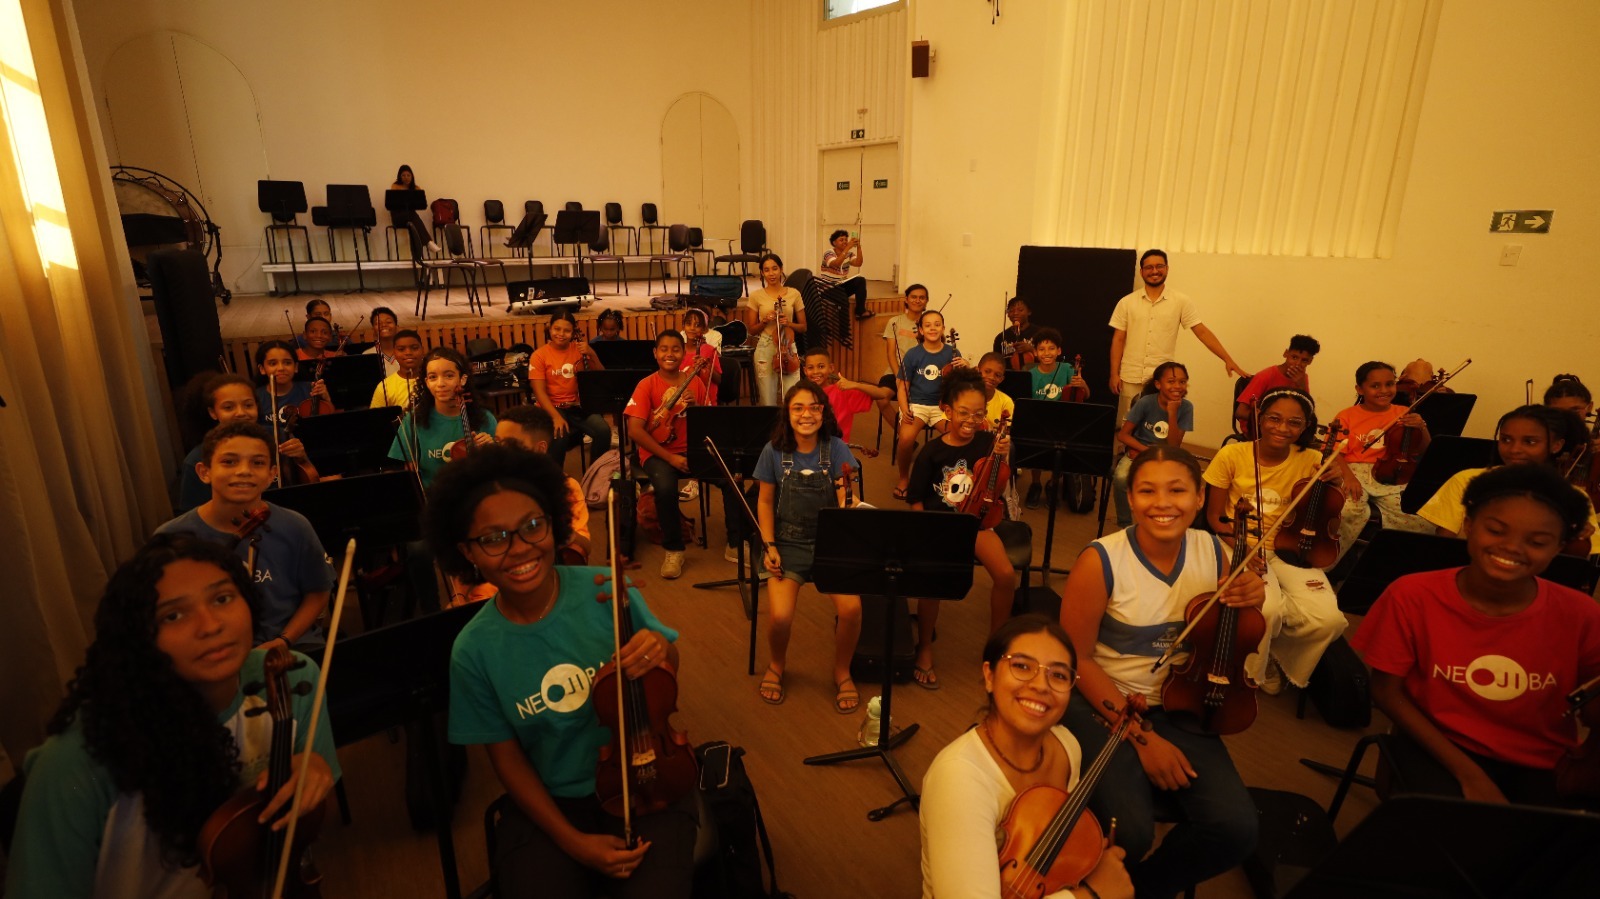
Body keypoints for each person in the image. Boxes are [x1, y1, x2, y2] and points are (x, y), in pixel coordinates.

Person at [3, 534, 340, 898]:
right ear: (139, 637)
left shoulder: (290, 677)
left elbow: (314, 826)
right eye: (173, 615)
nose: (210, 626)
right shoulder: (75, 759)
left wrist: (314, 772)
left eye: (222, 598)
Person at [427, 444, 695, 899]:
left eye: (533, 526)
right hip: (554, 800)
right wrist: (574, 843)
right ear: (467, 552)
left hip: (645, 777)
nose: (520, 549)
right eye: (494, 538)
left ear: (554, 522)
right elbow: (507, 760)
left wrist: (660, 650)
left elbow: (667, 672)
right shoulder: (472, 650)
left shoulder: (605, 589)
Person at [1059, 446, 1262, 896]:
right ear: (1130, 499)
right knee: (1129, 832)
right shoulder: (1101, 561)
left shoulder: (1214, 551)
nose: (1163, 503)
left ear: (1198, 498)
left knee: (1237, 828)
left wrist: (1254, 595)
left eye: (1177, 490)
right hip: (1104, 701)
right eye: (1147, 491)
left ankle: (1137, 891)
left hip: (1181, 702)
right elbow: (1077, 661)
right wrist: (1142, 740)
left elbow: (1229, 630)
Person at [1352, 464, 1600, 809]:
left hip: (1543, 761)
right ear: (1468, 525)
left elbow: (1592, 709)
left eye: (1537, 542)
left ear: (1559, 546)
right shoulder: (1412, 596)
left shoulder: (1582, 613)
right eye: (1496, 530)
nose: (1512, 547)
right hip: (1439, 745)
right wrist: (1470, 775)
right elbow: (1385, 691)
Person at [919, 614, 1134, 899]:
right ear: (989, 676)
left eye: (1058, 675)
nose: (1041, 685)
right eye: (1021, 666)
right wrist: (1092, 893)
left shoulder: (1067, 746)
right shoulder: (958, 779)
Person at [1203, 388, 1359, 693]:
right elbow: (1215, 518)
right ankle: (1252, 671)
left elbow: (1329, 512)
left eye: (1294, 423)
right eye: (1274, 419)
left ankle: (1276, 653)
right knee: (1266, 609)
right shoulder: (1232, 454)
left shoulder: (1313, 459)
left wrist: (1337, 482)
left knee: (1329, 620)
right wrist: (1243, 548)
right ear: (1260, 419)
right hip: (1239, 543)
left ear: (1305, 427)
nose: (1282, 428)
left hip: (1293, 546)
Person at [155, 422, 335, 650]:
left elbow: (318, 591)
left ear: (271, 474)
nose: (243, 471)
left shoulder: (295, 526)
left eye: (257, 463)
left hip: (291, 644)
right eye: (229, 462)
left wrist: (283, 640)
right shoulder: (172, 537)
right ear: (204, 472)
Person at [753, 381, 864, 712]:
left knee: (851, 609)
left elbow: (847, 492)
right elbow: (765, 502)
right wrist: (769, 545)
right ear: (787, 414)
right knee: (780, 617)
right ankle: (777, 665)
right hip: (787, 541)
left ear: (824, 412)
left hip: (831, 542)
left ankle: (842, 670)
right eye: (798, 408)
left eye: (814, 407)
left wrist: (848, 502)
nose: (806, 414)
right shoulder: (773, 451)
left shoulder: (837, 449)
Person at [907, 369, 1017, 689]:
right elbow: (916, 499)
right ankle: (924, 647)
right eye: (964, 413)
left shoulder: (988, 441)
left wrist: (1003, 455)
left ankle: (996, 645)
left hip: (977, 523)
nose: (971, 420)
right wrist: (925, 532)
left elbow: (997, 482)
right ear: (947, 410)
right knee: (933, 583)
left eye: (979, 414)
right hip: (941, 525)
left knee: (1006, 575)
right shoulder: (931, 452)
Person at [1418, 405, 1600, 553]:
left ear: (1556, 445)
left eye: (1530, 442)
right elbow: (1443, 548)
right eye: (1506, 440)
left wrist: (1576, 536)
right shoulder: (1466, 481)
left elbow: (1576, 563)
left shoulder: (1573, 496)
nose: (1514, 450)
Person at [1108, 249, 1248, 420]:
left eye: (1159, 266)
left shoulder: (1181, 301)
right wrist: (1114, 374)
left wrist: (1227, 359)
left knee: (1159, 423)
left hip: (1163, 378)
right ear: (1142, 271)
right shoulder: (1126, 302)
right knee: (1129, 421)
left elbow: (1202, 331)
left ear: (1167, 268)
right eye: (1149, 267)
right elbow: (1118, 339)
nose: (1154, 271)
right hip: (1130, 376)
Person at [625, 330, 714, 579]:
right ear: (655, 353)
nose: (669, 354)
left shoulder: (695, 382)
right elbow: (635, 430)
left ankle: (736, 542)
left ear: (683, 353)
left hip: (691, 449)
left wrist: (695, 407)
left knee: (730, 477)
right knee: (665, 489)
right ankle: (674, 549)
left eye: (676, 349)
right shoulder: (646, 385)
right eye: (664, 349)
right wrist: (670, 458)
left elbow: (709, 423)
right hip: (658, 452)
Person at [1332, 361, 1435, 551]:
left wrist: (1422, 427)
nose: (1384, 390)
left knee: (1421, 516)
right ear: (1360, 389)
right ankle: (1332, 558)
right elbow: (1335, 453)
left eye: (1389, 384)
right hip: (1354, 472)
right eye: (1375, 386)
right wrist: (1349, 477)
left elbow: (1424, 449)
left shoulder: (1403, 413)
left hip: (1392, 473)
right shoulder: (1346, 415)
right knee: (1346, 511)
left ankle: (1391, 558)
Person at [496, 404, 594, 565]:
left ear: (540, 448)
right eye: (498, 442)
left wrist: (559, 529)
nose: (501, 451)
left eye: (511, 443)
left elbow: (585, 546)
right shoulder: (491, 485)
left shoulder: (565, 487)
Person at [388, 346, 497, 489]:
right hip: (432, 495)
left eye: (449, 376)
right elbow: (409, 475)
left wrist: (491, 449)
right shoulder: (413, 420)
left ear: (462, 379)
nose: (441, 384)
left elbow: (499, 470)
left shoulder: (485, 418)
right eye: (433, 377)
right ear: (427, 382)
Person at [1111, 361, 1193, 528]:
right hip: (1140, 452)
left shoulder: (1186, 407)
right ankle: (1125, 525)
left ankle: (1158, 524)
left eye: (1182, 381)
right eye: (1171, 381)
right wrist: (1145, 451)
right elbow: (1123, 435)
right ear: (1158, 384)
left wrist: (1172, 413)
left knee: (1176, 487)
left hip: (1167, 457)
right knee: (1120, 479)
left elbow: (1174, 446)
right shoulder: (1146, 402)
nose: (1177, 386)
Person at [177, 373, 273, 512]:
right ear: (213, 412)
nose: (240, 413)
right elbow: (193, 514)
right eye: (228, 408)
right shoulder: (196, 459)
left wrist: (301, 459)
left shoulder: (279, 437)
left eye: (248, 405)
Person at [894, 308, 962, 501]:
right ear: (921, 330)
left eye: (937, 325)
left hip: (943, 407)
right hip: (918, 405)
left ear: (943, 328)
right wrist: (904, 408)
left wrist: (964, 367)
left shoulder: (952, 353)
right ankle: (904, 479)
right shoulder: (913, 354)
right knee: (905, 438)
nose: (933, 328)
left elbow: (961, 385)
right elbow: (902, 387)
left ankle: (951, 478)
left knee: (958, 435)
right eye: (928, 325)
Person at [530, 310, 610, 471]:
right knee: (560, 434)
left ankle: (594, 475)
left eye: (566, 330)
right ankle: (555, 477)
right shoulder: (539, 355)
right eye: (557, 329)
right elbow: (539, 392)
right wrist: (555, 417)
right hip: (552, 407)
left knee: (603, 431)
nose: (561, 334)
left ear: (573, 332)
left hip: (577, 406)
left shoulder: (579, 350)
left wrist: (592, 353)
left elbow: (601, 376)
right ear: (549, 328)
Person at [1023, 328, 1089, 508]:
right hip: (1039, 422)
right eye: (1042, 349)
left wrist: (1082, 384)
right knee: (1036, 447)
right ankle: (1035, 483)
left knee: (1061, 449)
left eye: (1051, 348)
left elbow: (1084, 395)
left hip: (1062, 422)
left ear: (1059, 351)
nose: (1047, 353)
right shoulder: (1030, 374)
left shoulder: (1068, 369)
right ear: (1035, 352)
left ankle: (1053, 484)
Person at [251, 341, 325, 487]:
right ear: (262, 369)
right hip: (271, 458)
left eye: (287, 363)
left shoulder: (310, 390)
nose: (281, 368)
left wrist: (326, 399)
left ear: (296, 367)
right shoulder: (254, 397)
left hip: (309, 456)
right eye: (273, 363)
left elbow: (325, 427)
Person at [1234, 335, 1319, 438]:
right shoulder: (1266, 376)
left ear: (1310, 361)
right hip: (1258, 428)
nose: (1298, 364)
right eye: (1294, 357)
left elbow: (1307, 412)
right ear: (1286, 353)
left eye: (1304, 360)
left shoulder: (1302, 378)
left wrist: (1301, 386)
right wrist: (1269, 418)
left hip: (1285, 427)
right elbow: (1240, 412)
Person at [802, 346, 891, 443]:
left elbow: (881, 394)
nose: (815, 372)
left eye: (821, 366)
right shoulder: (801, 394)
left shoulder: (842, 392)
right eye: (810, 368)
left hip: (837, 448)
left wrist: (855, 385)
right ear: (805, 371)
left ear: (831, 368)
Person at [750, 253, 806, 405]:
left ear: (781, 269)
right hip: (765, 345)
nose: (771, 273)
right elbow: (752, 330)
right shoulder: (756, 296)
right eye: (766, 270)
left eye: (774, 268)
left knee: (792, 398)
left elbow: (803, 327)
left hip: (788, 346)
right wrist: (764, 321)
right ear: (762, 273)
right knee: (767, 400)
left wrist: (789, 323)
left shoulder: (794, 293)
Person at [879, 283, 930, 431]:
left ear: (926, 301)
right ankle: (902, 434)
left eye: (922, 297)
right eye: (913, 297)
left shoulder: (930, 324)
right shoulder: (894, 322)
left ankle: (910, 434)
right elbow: (890, 353)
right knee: (882, 399)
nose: (917, 300)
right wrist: (899, 377)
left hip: (921, 374)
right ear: (906, 299)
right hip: (895, 372)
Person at [815, 228, 871, 320]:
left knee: (860, 280)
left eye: (846, 239)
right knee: (842, 298)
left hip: (840, 286)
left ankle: (860, 311)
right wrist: (848, 247)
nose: (845, 242)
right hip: (828, 289)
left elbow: (858, 263)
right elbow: (836, 264)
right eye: (841, 240)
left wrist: (858, 247)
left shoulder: (849, 254)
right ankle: (841, 326)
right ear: (834, 243)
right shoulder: (828, 253)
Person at [390, 164, 441, 260]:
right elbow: (395, 204)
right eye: (403, 175)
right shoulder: (395, 186)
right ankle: (428, 242)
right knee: (413, 215)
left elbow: (420, 204)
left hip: (410, 216)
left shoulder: (416, 188)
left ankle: (418, 256)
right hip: (398, 217)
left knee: (413, 221)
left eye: (408, 175)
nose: (406, 177)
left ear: (412, 176)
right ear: (400, 176)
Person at [369, 329, 427, 410]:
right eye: (401, 349)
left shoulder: (433, 379)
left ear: (423, 350)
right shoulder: (385, 387)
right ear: (394, 353)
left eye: (414, 348)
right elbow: (376, 416)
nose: (408, 353)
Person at [680, 307, 723, 405]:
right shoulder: (679, 350)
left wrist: (708, 367)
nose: (692, 328)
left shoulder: (709, 350)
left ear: (704, 329)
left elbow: (718, 380)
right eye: (688, 324)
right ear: (683, 326)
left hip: (705, 403)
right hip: (682, 402)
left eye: (697, 325)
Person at [993, 295, 1040, 370]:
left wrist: (1031, 349)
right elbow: (996, 362)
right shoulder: (1001, 337)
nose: (1015, 313)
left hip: (1034, 374)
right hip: (1009, 375)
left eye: (1020, 310)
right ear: (1008, 314)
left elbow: (1049, 357)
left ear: (1029, 312)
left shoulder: (1040, 333)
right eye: (1011, 311)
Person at [977, 352, 1016, 430]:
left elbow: (1008, 431)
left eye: (997, 375)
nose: (991, 377)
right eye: (987, 371)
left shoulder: (1006, 402)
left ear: (1001, 379)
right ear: (978, 371)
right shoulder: (965, 395)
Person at [363, 305, 403, 376]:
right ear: (373, 329)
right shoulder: (367, 355)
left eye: (389, 322)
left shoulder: (407, 352)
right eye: (378, 323)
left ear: (397, 327)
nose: (384, 325)